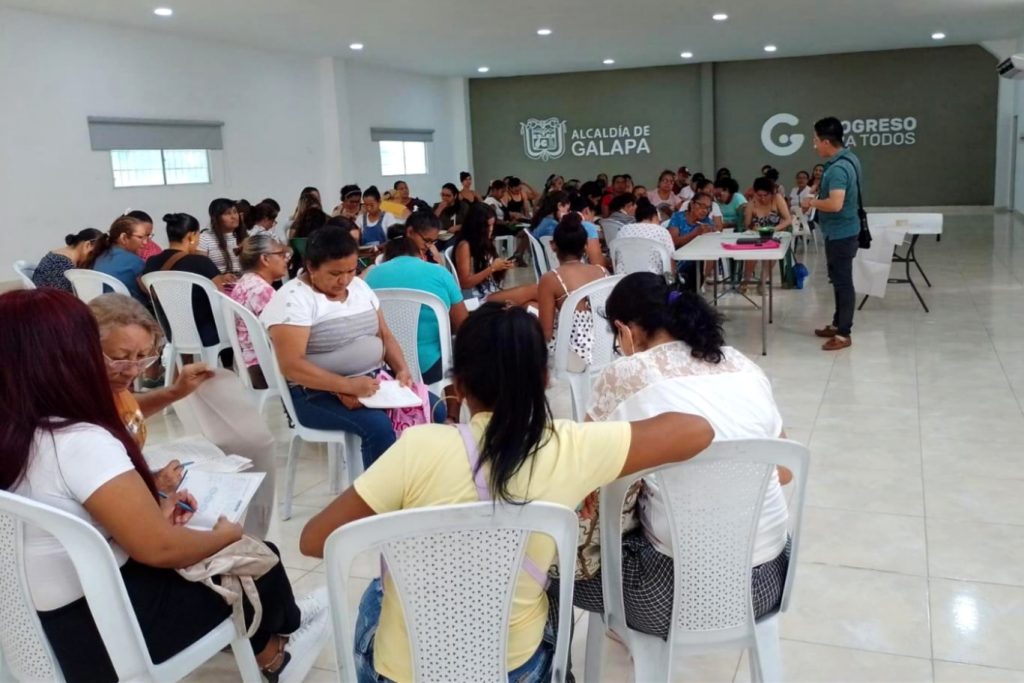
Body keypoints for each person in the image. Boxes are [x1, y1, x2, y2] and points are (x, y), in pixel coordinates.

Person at [297, 303, 715, 683]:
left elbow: (316, 540)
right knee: (548, 596)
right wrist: (592, 474)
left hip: (405, 671)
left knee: (378, 589)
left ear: (457, 385)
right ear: (545, 380)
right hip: (514, 669)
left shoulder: (418, 447)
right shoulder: (571, 446)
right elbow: (697, 430)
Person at [0, 289, 327, 683]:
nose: (125, 368)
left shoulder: (20, 430)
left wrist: (153, 507)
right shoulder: (78, 440)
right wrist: (225, 535)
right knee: (247, 555)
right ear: (66, 356)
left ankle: (275, 628)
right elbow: (160, 549)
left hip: (31, 626)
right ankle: (277, 657)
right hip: (105, 636)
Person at [573, 274, 791, 640]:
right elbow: (783, 472)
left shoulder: (624, 375)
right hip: (769, 583)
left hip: (668, 597)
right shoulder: (741, 364)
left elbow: (584, 477)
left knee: (552, 567)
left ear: (624, 330)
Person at [261, 226, 414, 469]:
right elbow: (292, 366)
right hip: (313, 394)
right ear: (311, 267)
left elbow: (384, 334)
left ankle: (414, 487)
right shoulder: (293, 299)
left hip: (371, 382)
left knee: (429, 411)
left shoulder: (359, 288)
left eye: (351, 271)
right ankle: (379, 500)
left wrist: (402, 369)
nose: (344, 280)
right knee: (378, 426)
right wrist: (346, 386)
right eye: (334, 273)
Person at [365, 217, 468, 386]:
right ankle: (452, 412)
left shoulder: (372, 275)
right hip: (431, 366)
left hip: (384, 366)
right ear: (420, 253)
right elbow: (462, 326)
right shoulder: (439, 273)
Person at [801, 116, 863, 351]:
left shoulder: (838, 169)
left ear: (826, 141)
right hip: (841, 231)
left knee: (843, 282)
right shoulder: (849, 158)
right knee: (838, 281)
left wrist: (812, 202)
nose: (814, 144)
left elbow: (836, 204)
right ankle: (838, 323)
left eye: (815, 140)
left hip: (841, 233)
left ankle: (844, 333)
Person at [143, 212, 234, 349]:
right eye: (198, 235)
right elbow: (221, 297)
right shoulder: (202, 262)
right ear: (191, 236)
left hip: (172, 331)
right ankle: (228, 366)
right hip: (207, 331)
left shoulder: (152, 262)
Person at [537, 214, 608, 372]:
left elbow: (546, 333)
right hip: (605, 349)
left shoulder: (551, 279)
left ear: (553, 245)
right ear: (585, 246)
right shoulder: (602, 272)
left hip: (572, 357)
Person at [230, 233, 291, 389]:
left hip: (250, 363)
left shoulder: (245, 282)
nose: (286, 258)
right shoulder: (261, 290)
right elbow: (285, 333)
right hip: (266, 366)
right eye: (281, 254)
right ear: (265, 259)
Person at [454, 203, 537, 306]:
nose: (491, 229)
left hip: (491, 291)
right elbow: (465, 283)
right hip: (478, 298)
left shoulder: (484, 242)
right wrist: (492, 268)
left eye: (493, 225)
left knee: (532, 305)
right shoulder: (465, 246)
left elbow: (493, 277)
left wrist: (502, 267)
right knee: (536, 290)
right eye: (487, 226)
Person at [93, 214, 150, 305]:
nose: (145, 242)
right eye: (140, 237)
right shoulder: (134, 262)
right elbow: (150, 294)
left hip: (101, 309)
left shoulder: (100, 255)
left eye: (147, 237)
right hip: (126, 313)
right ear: (123, 237)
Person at [667, 192, 715, 291]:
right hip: (676, 261)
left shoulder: (707, 222)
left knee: (698, 263)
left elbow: (710, 249)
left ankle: (697, 287)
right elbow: (673, 242)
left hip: (696, 262)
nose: (704, 211)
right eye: (702, 206)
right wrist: (695, 233)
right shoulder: (678, 217)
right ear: (692, 204)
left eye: (708, 208)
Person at [614, 199, 676, 274]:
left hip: (623, 279)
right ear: (655, 216)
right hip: (652, 279)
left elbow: (616, 256)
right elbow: (670, 259)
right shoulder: (661, 231)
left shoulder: (623, 229)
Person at [32, 228, 102, 292]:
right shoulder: (64, 265)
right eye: (95, 255)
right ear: (88, 245)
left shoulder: (55, 255)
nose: (93, 260)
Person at [198, 198, 242, 275]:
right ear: (216, 218)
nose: (234, 217)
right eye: (228, 213)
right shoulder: (205, 238)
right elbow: (201, 268)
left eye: (235, 212)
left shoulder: (245, 236)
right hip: (217, 281)